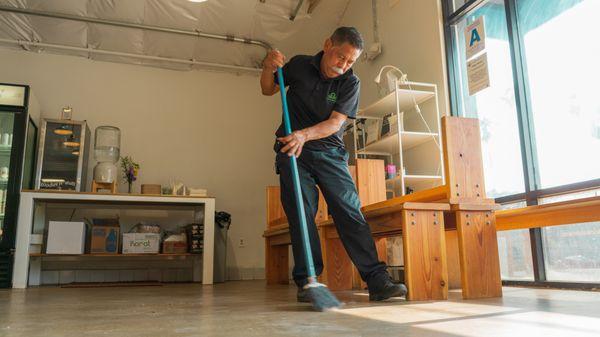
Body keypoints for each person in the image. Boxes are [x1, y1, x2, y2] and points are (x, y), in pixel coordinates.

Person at [260, 27, 407, 302]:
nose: (344, 65)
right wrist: (268, 67)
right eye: (341, 57)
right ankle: (307, 281)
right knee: (302, 214)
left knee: (349, 211)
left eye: (351, 61)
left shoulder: (350, 83)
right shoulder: (300, 65)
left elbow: (336, 123)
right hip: (292, 150)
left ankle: (377, 281)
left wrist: (305, 134)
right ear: (328, 45)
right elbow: (268, 89)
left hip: (329, 152)